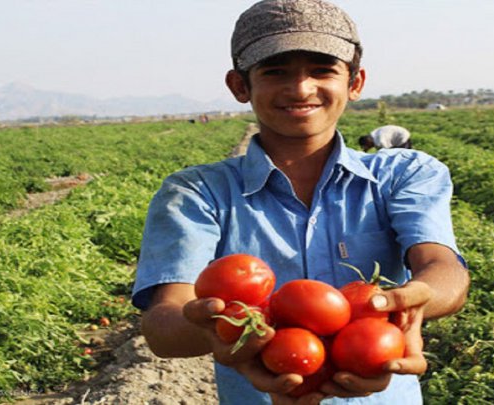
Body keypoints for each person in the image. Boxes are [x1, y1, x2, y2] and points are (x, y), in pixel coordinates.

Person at [132, 0, 470, 404]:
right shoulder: (196, 193)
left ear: (355, 82)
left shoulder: (405, 175)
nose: (301, 88)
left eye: (323, 70)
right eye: (276, 72)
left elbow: (443, 268)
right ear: (240, 86)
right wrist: (215, 327)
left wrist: (410, 303)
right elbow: (164, 322)